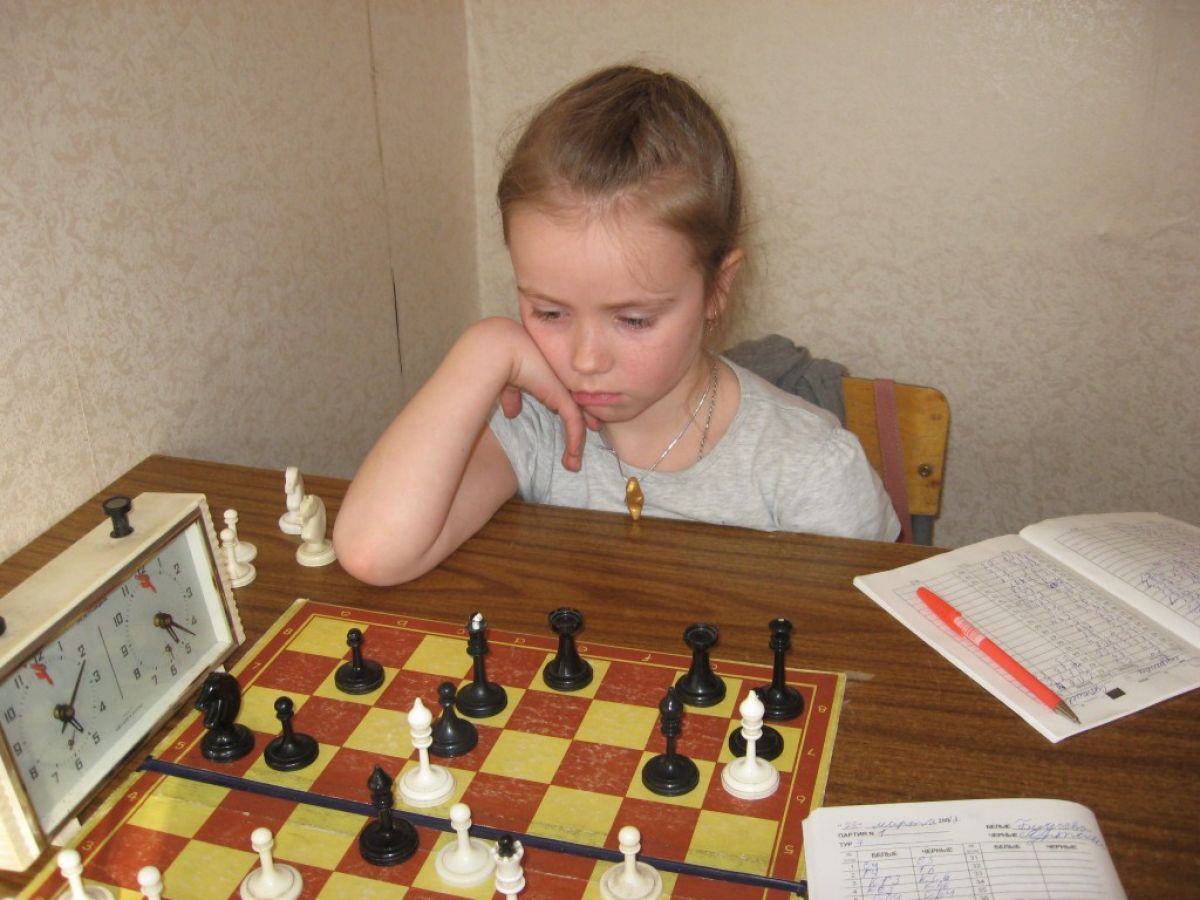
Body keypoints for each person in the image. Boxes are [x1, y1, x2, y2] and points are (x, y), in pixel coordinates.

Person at [334, 65, 899, 586]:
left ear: (717, 288)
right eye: (549, 312)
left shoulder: (810, 471)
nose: (585, 360)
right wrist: (484, 347)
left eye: (633, 319)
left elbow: (866, 647)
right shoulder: (533, 426)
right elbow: (374, 552)